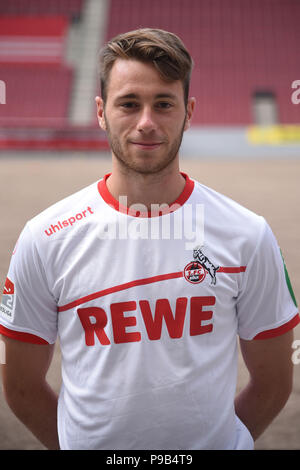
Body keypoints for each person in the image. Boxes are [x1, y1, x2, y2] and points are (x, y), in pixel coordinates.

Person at [0, 28, 299, 451]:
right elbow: (21, 386)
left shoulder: (247, 234)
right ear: (101, 112)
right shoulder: (45, 237)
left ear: (189, 112)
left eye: (163, 104)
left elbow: (273, 382)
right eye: (128, 104)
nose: (146, 122)